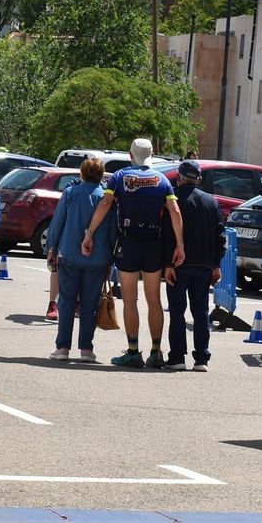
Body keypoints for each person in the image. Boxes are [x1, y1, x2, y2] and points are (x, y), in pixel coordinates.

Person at [81, 137, 185, 369]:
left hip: (128, 242)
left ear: (131, 155)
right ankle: (156, 352)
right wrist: (180, 244)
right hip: (154, 243)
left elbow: (105, 204)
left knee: (130, 300)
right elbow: (175, 210)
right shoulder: (162, 179)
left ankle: (133, 351)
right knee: (154, 299)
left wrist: (90, 232)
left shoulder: (119, 177)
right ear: (152, 155)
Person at [44, 157, 117, 362]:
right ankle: (86, 349)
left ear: (82, 174)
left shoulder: (70, 193)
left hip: (69, 254)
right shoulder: (107, 199)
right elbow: (113, 231)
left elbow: (57, 223)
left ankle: (62, 347)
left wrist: (51, 248)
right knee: (90, 304)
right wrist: (111, 258)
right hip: (98, 258)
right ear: (101, 176)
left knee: (66, 301)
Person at [162, 160, 226, 371]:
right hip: (204, 265)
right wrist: (216, 264)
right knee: (200, 313)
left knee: (177, 312)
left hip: (178, 265)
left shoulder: (172, 200)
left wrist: (167, 264)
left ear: (179, 177)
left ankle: (177, 357)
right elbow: (220, 236)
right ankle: (201, 359)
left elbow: (166, 235)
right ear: (198, 180)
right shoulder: (211, 202)